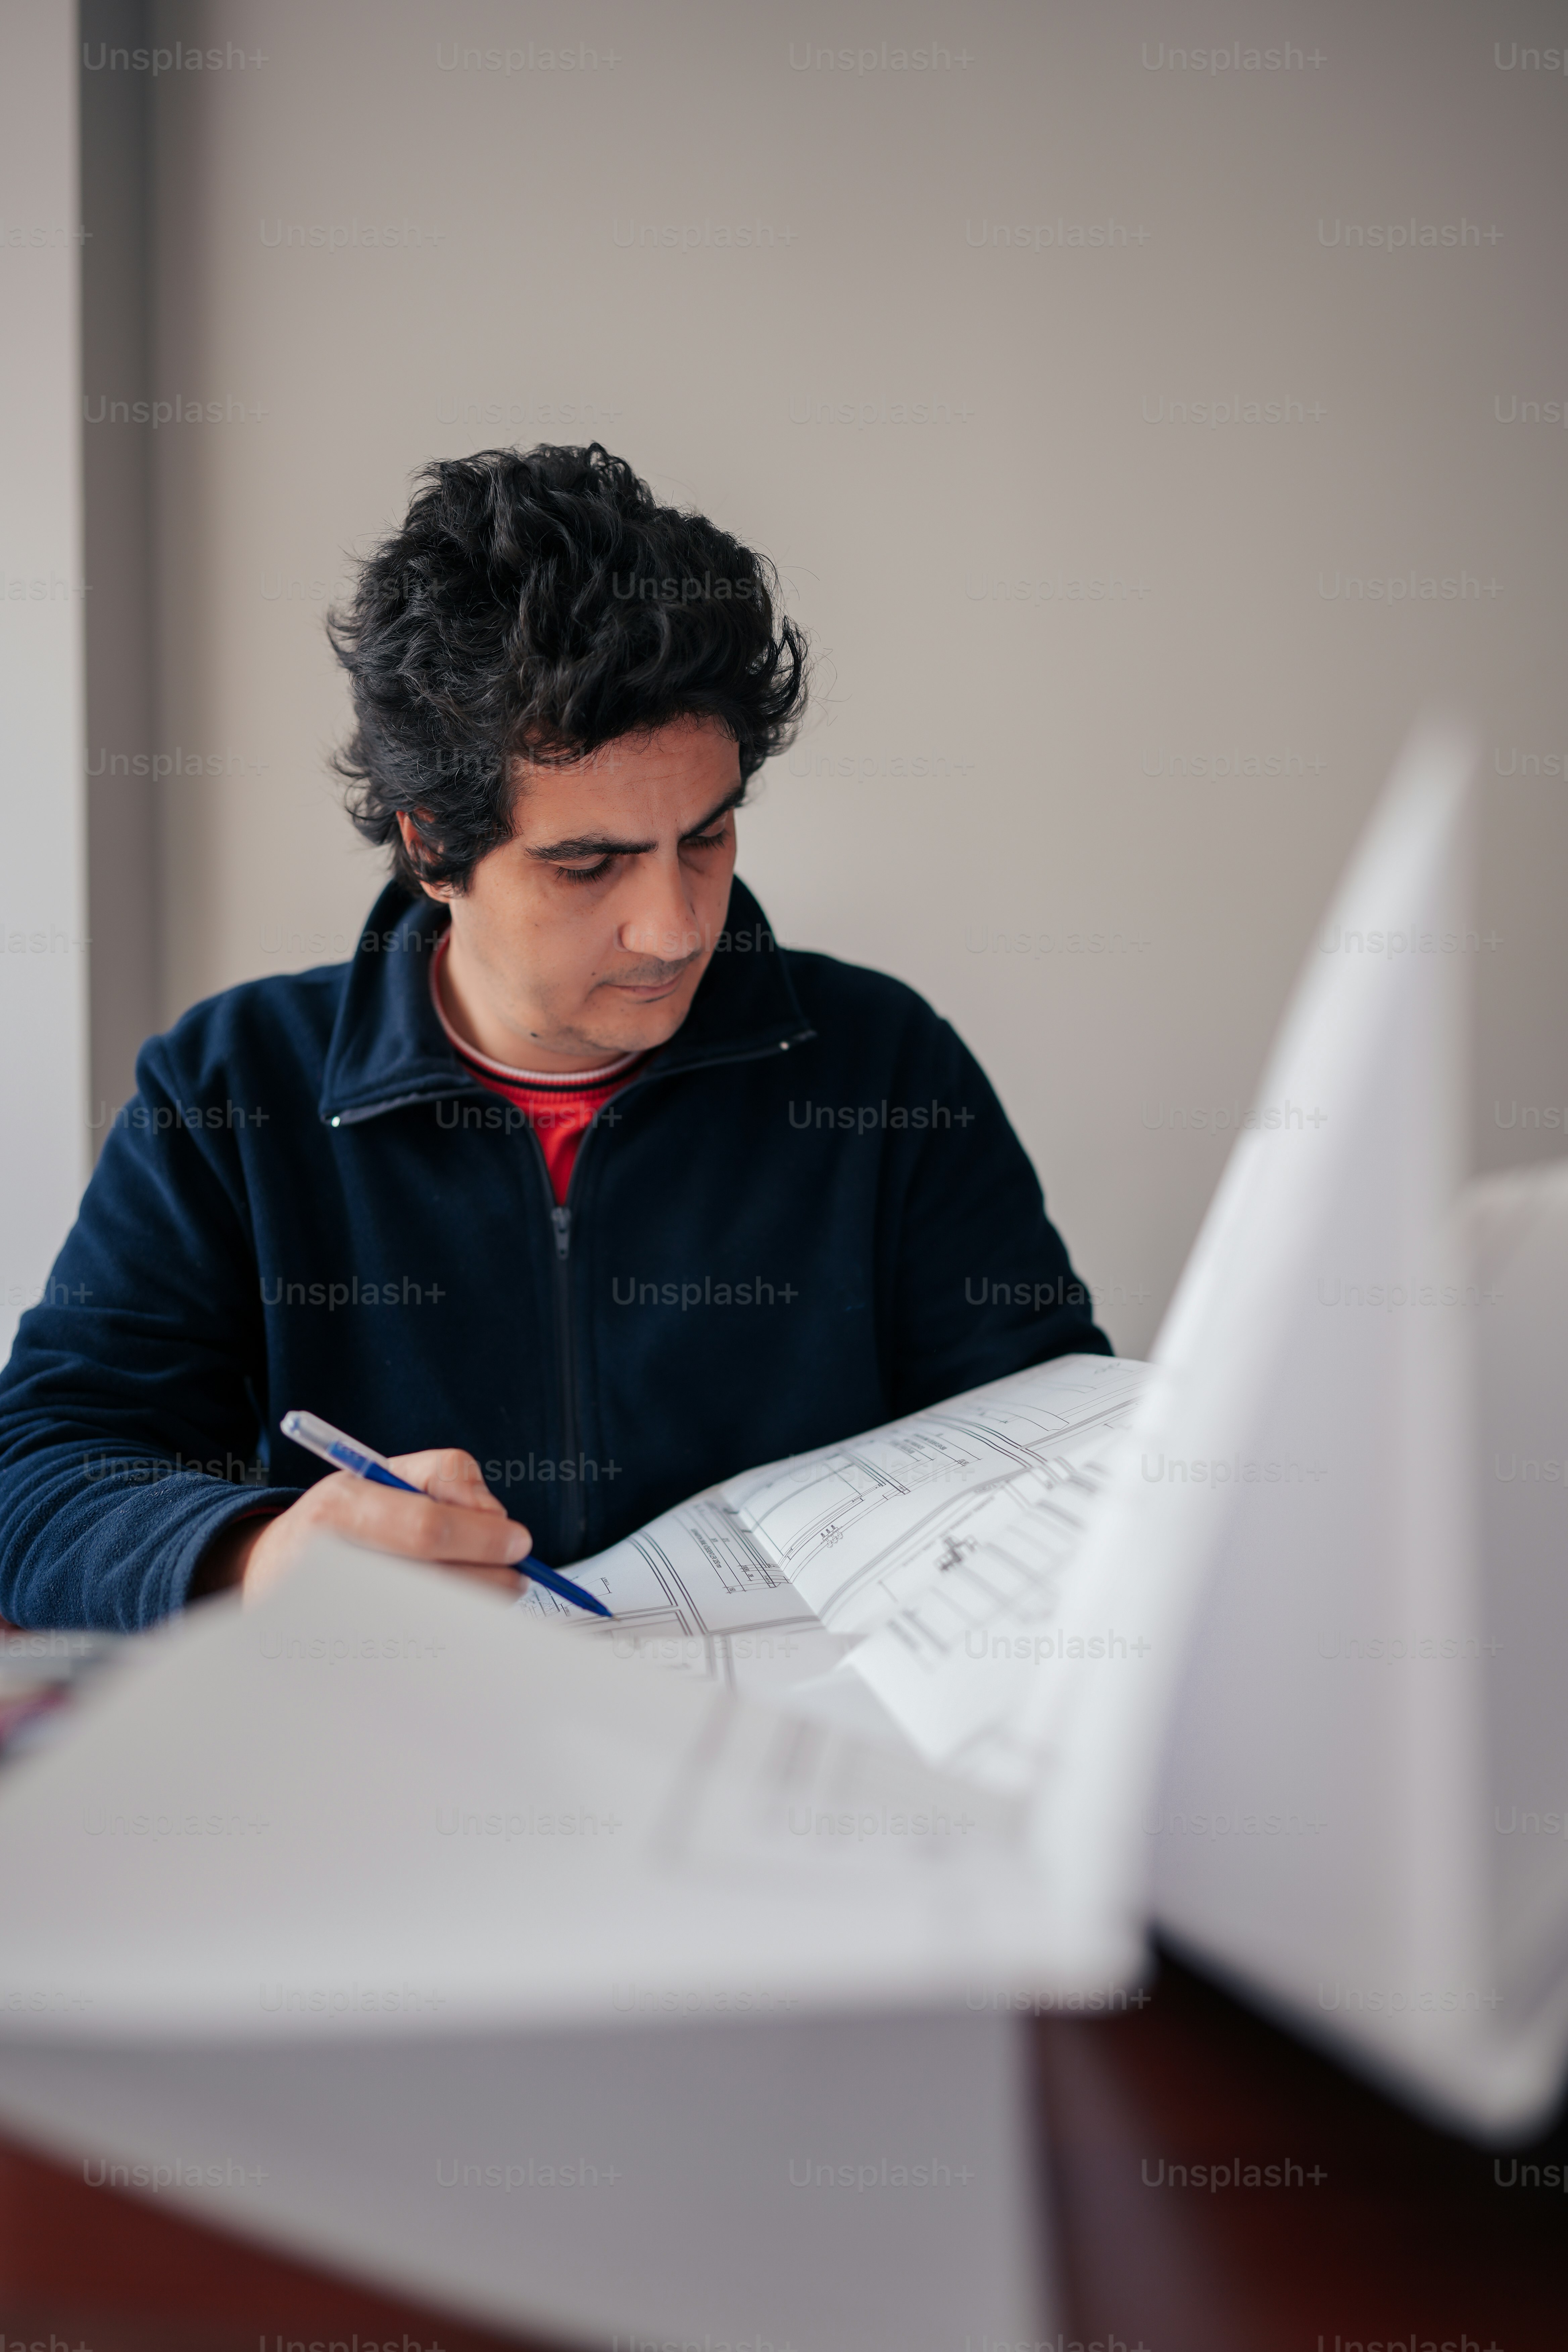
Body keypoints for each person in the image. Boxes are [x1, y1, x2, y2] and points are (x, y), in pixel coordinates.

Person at [0, 444, 1109, 1630]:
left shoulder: (887, 1067)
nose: (676, 928)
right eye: (588, 864)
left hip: (798, 1773)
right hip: (397, 1768)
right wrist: (270, 1554)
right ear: (433, 846)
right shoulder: (229, 1090)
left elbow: (1056, 1456)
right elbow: (38, 1477)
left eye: (708, 836)